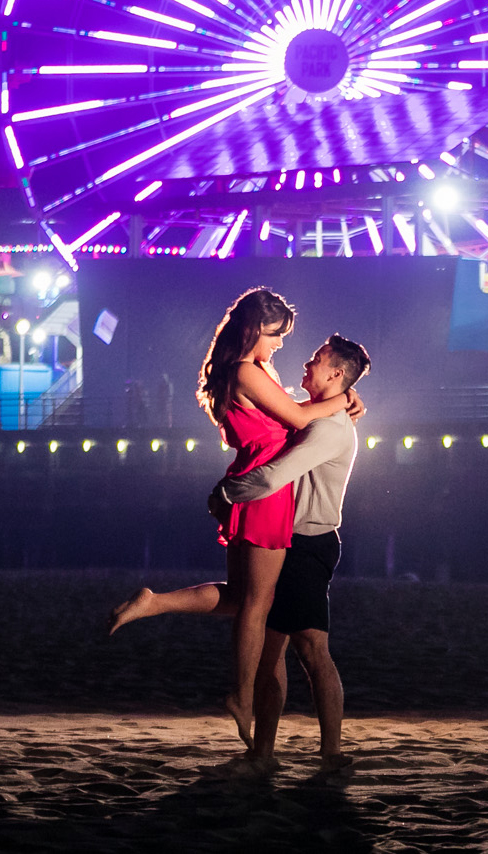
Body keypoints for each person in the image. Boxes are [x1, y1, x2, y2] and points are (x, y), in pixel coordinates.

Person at [108, 287, 355, 749]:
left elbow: (295, 414)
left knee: (244, 599)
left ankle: (153, 603)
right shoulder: (246, 370)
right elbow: (299, 420)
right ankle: (241, 697)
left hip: (252, 480)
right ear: (252, 330)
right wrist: (344, 401)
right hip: (264, 490)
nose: (281, 343)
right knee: (256, 606)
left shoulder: (249, 368)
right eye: (275, 334)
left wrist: (343, 397)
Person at [209, 333, 370, 770]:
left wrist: (224, 493)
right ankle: (266, 751)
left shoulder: (327, 428)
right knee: (275, 650)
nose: (306, 363)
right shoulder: (318, 415)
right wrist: (347, 397)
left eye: (317, 359)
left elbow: (270, 479)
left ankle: (329, 752)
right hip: (292, 540)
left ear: (336, 373)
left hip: (306, 544)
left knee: (311, 651)